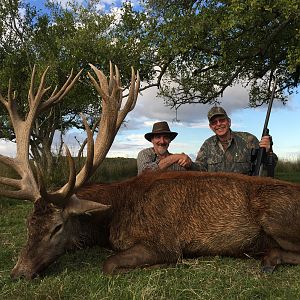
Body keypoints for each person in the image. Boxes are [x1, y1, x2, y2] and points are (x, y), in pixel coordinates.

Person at [195, 106, 276, 175]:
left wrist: (268, 152)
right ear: (211, 127)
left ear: (229, 122)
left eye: (222, 120)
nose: (218, 124)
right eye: (214, 122)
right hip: (216, 193)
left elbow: (269, 166)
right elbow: (200, 169)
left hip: (244, 192)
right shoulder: (207, 145)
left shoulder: (249, 139)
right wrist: (189, 164)